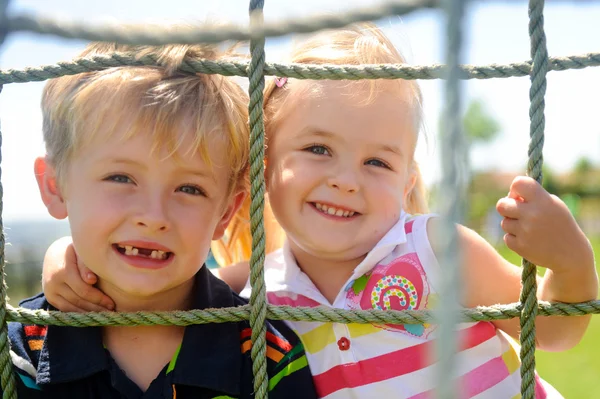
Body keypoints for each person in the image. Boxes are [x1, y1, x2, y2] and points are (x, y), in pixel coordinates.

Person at [41, 24, 597, 398]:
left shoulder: (437, 251)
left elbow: (551, 331)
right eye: (318, 149)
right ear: (261, 167)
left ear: (406, 181)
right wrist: (66, 256)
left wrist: (571, 264)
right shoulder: (251, 291)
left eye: (377, 163)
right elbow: (156, 279)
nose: (346, 180)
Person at [10, 42, 316, 398]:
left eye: (189, 188)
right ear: (54, 186)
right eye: (121, 178)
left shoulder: (266, 353)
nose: (154, 217)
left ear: (226, 213)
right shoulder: (21, 348)